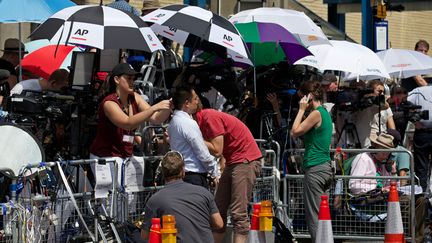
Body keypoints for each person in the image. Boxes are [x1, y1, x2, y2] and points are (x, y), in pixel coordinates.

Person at [194, 106, 262, 243]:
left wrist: (194, 138)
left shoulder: (209, 117)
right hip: (234, 162)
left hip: (244, 161)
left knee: (238, 213)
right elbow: (223, 146)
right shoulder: (204, 119)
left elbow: (217, 149)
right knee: (218, 211)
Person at [348, 133, 427, 243]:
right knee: (408, 201)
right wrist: (377, 189)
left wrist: (393, 172)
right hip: (367, 198)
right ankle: (405, 237)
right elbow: (354, 185)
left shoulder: (383, 163)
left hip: (383, 197)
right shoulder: (363, 159)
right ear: (376, 148)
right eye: (384, 151)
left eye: (388, 152)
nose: (386, 155)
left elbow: (392, 185)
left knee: (420, 200)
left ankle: (417, 239)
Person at [90, 63, 171, 159]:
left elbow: (156, 118)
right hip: (105, 157)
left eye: (133, 79)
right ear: (116, 80)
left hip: (125, 155)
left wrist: (170, 104)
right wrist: (154, 107)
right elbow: (127, 124)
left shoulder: (135, 97)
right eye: (129, 78)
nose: (132, 82)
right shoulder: (109, 103)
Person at [141, 151, 223, 242]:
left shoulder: (155, 200)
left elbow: (145, 235)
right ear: (183, 171)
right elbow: (219, 224)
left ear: (163, 174)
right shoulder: (204, 192)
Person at [290, 80, 333, 242]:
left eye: (302, 98)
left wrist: (301, 110)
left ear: (309, 98)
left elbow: (294, 131)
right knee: (322, 217)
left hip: (315, 169)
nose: (302, 103)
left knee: (314, 217)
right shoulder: (325, 113)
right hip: (325, 169)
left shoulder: (316, 113)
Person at [168, 86, 217, 188]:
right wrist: (214, 172)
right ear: (186, 103)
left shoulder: (173, 122)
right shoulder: (188, 123)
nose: (197, 101)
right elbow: (202, 152)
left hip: (182, 175)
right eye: (195, 99)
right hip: (194, 177)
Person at [407, 85, 432, 193]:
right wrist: (415, 122)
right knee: (422, 167)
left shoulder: (418, 90)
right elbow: (404, 104)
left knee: (422, 167)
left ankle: (424, 194)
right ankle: (423, 195)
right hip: (423, 132)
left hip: (423, 133)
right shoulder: (418, 91)